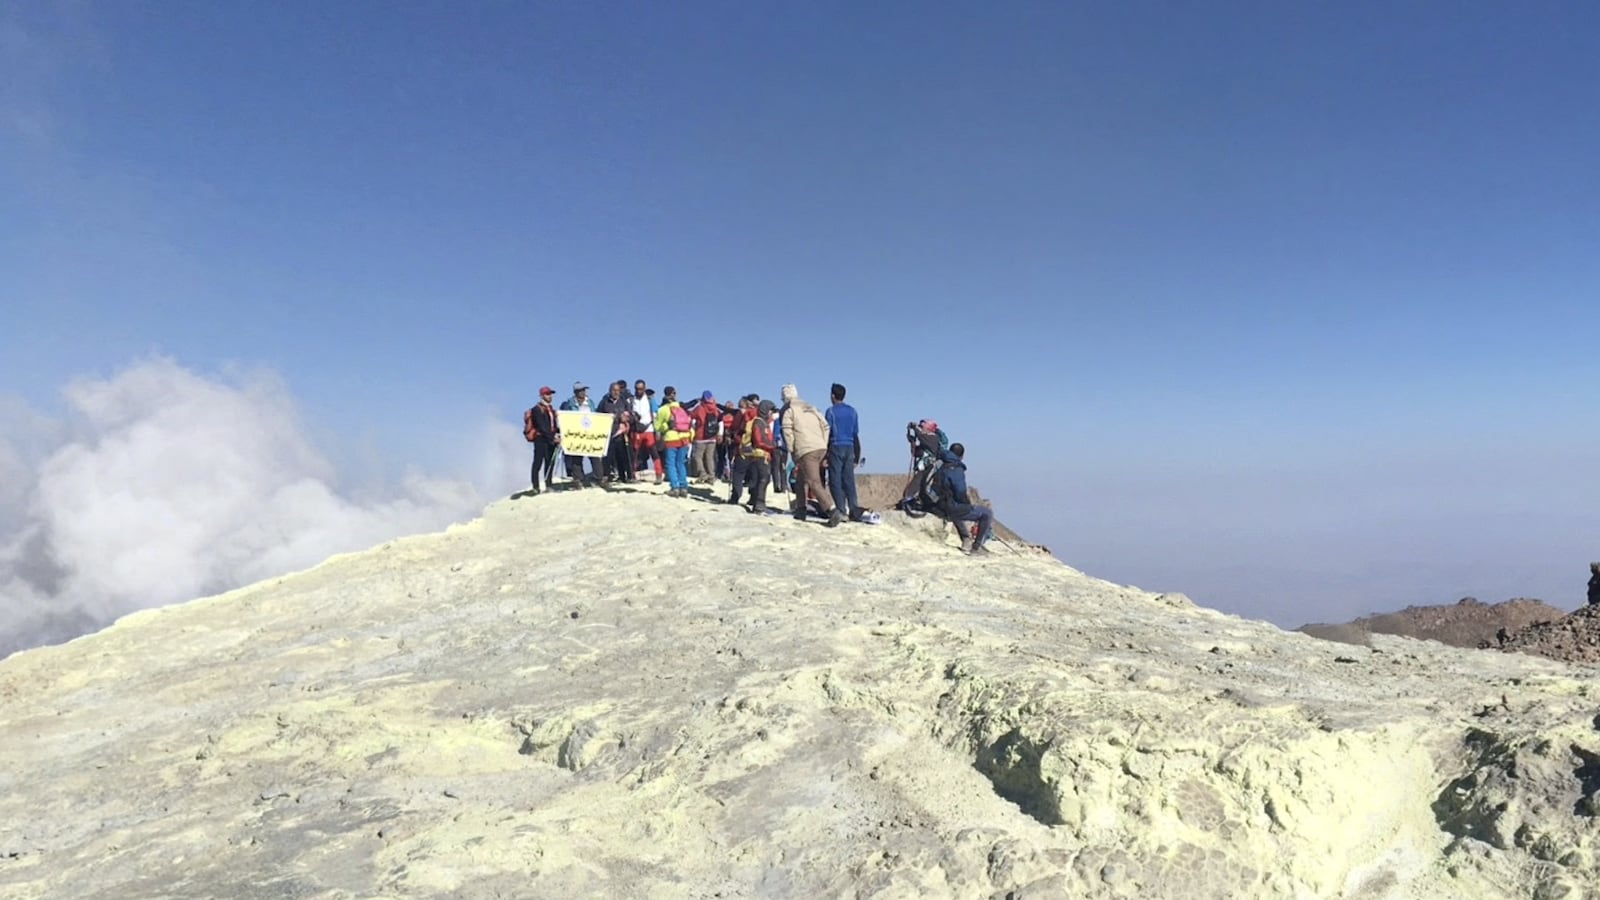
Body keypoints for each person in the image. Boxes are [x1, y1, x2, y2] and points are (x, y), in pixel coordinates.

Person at [779, 383, 842, 527]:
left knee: (814, 482)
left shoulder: (790, 411)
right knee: (801, 478)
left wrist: (791, 450)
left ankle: (832, 510)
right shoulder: (811, 408)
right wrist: (823, 443)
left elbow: (787, 432)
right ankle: (800, 509)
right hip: (819, 446)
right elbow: (826, 426)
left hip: (806, 449)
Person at [936, 442, 996, 555]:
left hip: (939, 503)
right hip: (948, 506)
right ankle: (977, 547)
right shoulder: (955, 468)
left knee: (955, 508)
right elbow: (960, 491)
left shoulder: (940, 463)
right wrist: (966, 504)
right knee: (987, 513)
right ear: (962, 456)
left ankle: (966, 540)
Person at [824, 383, 863, 521]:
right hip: (850, 446)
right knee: (849, 480)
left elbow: (827, 433)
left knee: (835, 480)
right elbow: (855, 433)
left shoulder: (831, 411)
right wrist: (857, 455)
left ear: (833, 396)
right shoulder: (853, 411)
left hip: (836, 445)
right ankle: (854, 509)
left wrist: (825, 454)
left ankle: (841, 510)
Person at [559, 382, 602, 487]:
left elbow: (595, 415)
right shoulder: (569, 404)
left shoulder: (590, 402)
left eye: (584, 390)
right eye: (581, 390)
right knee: (577, 458)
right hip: (576, 434)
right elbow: (566, 418)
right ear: (576, 392)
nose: (583, 392)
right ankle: (579, 479)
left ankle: (598, 478)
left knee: (594, 456)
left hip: (590, 433)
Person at [653, 386, 695, 497]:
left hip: (671, 438)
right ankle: (684, 487)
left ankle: (675, 487)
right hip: (684, 438)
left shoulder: (663, 410)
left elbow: (657, 426)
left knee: (670, 464)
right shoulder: (681, 408)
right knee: (681, 463)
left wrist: (665, 427)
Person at [740, 399, 777, 513]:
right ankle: (759, 504)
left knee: (761, 479)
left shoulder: (763, 422)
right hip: (759, 455)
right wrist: (772, 446)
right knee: (763, 479)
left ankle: (757, 502)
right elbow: (758, 441)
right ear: (766, 410)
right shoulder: (758, 422)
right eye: (771, 411)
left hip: (763, 455)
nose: (772, 413)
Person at [596, 380, 635, 484]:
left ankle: (626, 477)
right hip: (608, 434)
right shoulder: (604, 402)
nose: (616, 392)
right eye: (614, 390)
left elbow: (632, 416)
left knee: (623, 457)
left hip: (621, 434)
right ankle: (607, 476)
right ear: (610, 391)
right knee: (607, 458)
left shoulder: (623, 402)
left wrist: (627, 418)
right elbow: (598, 416)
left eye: (617, 390)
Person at [527, 386, 561, 493]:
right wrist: (552, 437)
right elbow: (542, 426)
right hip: (540, 439)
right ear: (542, 396)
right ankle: (536, 486)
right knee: (538, 463)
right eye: (547, 394)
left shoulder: (551, 409)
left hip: (551, 440)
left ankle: (548, 484)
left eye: (550, 394)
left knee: (550, 462)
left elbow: (554, 425)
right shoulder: (537, 409)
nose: (549, 396)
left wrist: (558, 434)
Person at [631, 381, 663, 484]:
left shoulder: (650, 400)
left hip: (649, 429)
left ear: (644, 389)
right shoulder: (631, 400)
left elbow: (656, 415)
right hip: (637, 430)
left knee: (654, 452)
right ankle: (632, 474)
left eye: (640, 389)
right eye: (636, 389)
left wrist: (657, 430)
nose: (638, 391)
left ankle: (658, 474)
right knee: (635, 453)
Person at [688, 390, 720, 483]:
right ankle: (711, 476)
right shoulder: (715, 409)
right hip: (712, 437)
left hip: (700, 436)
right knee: (709, 458)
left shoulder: (699, 408)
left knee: (697, 456)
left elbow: (691, 415)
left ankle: (703, 474)